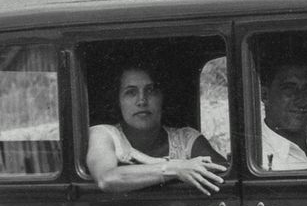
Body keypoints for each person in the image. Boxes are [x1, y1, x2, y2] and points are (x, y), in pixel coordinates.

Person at [86, 62, 226, 193]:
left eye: (150, 90)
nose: (142, 101)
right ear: (118, 101)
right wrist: (175, 168)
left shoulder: (186, 139)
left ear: (162, 97)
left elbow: (225, 177)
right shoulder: (104, 134)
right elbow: (106, 179)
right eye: (131, 92)